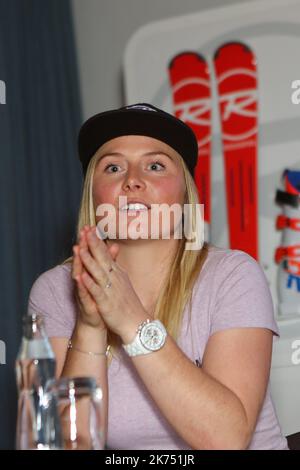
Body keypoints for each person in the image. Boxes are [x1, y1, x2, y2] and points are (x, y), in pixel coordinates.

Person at [28, 103, 288, 450]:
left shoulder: (234, 275)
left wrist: (132, 320)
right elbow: (63, 445)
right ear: (93, 193)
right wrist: (90, 328)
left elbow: (226, 439)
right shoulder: (54, 291)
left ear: (185, 194)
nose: (132, 180)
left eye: (155, 165)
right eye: (114, 167)